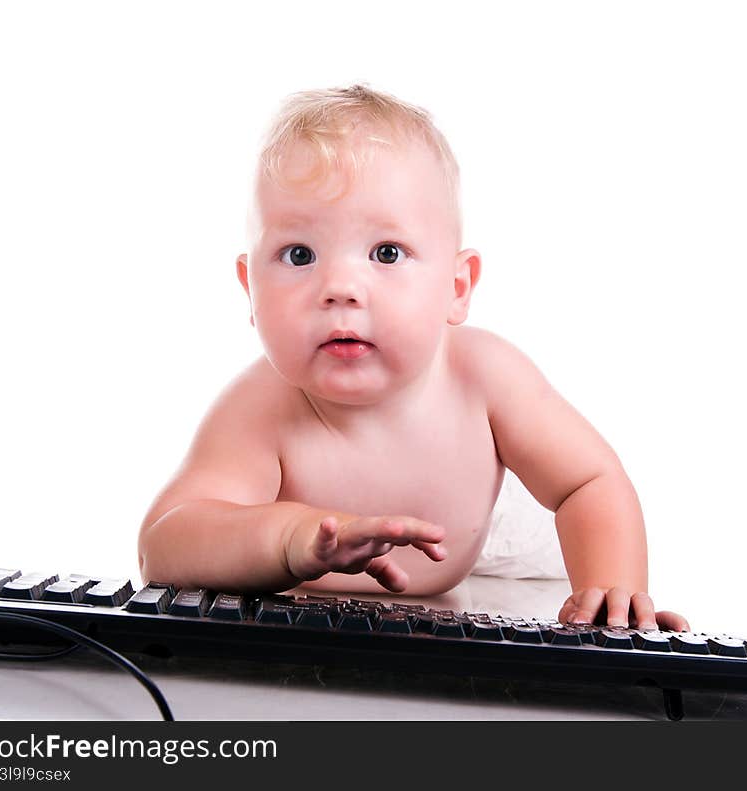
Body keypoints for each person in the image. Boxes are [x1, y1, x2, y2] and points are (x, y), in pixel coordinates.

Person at [138, 83, 688, 631]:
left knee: (540, 557)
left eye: (386, 253)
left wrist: (612, 587)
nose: (340, 287)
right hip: (321, 627)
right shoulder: (261, 407)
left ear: (456, 286)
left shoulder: (485, 378)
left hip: (500, 538)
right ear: (249, 289)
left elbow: (586, 481)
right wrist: (289, 537)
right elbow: (165, 544)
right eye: (298, 254)